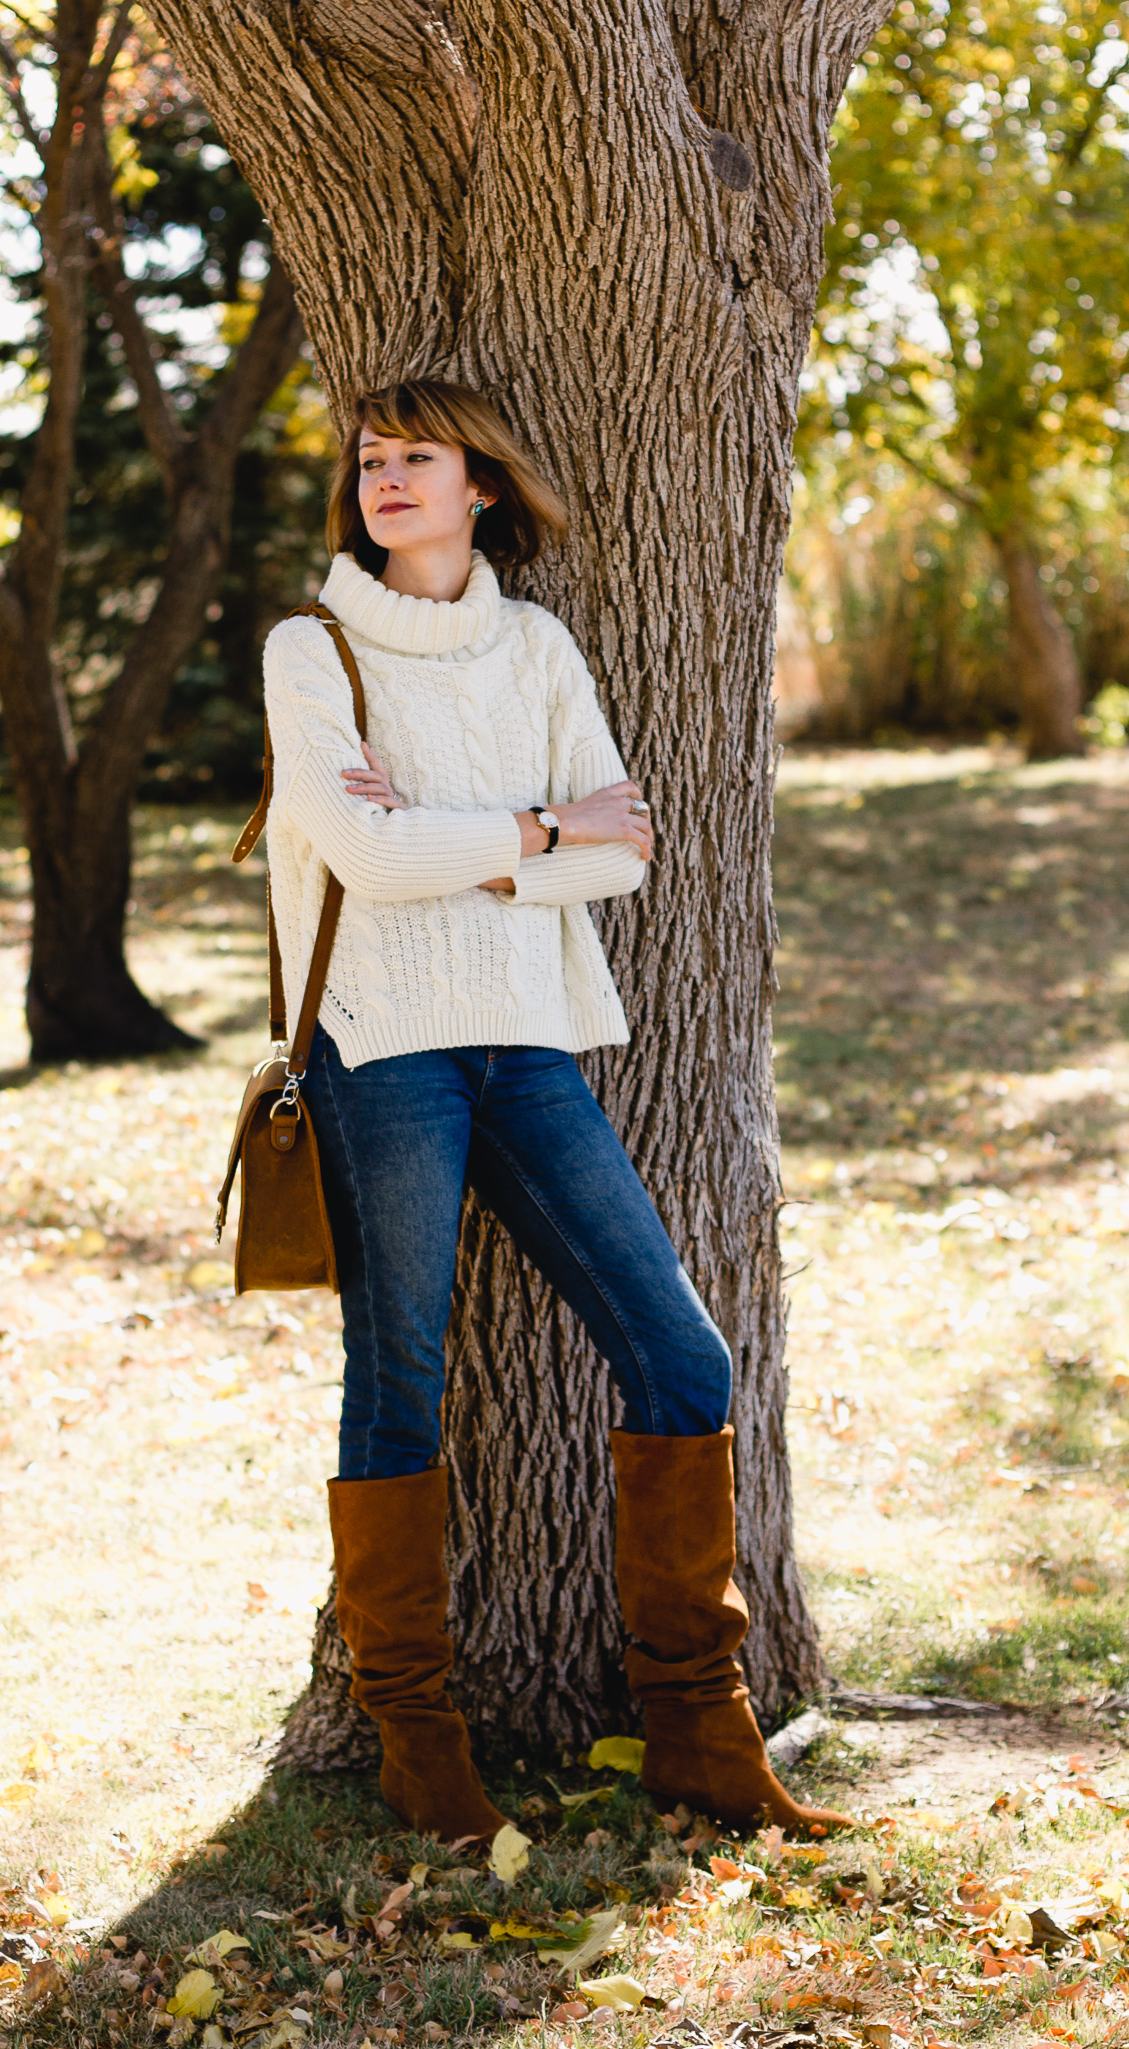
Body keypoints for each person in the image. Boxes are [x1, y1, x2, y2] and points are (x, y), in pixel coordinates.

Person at [261, 378, 845, 1839]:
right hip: (376, 1045)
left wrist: (457, 839)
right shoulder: (308, 647)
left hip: (526, 1041)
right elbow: (366, 860)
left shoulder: (533, 646)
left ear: (481, 491)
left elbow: (625, 848)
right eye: (371, 459)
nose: (388, 479)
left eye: (421, 459)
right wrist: (531, 830)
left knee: (679, 1352)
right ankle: (419, 1742)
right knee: (397, 1372)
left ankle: (697, 1728)